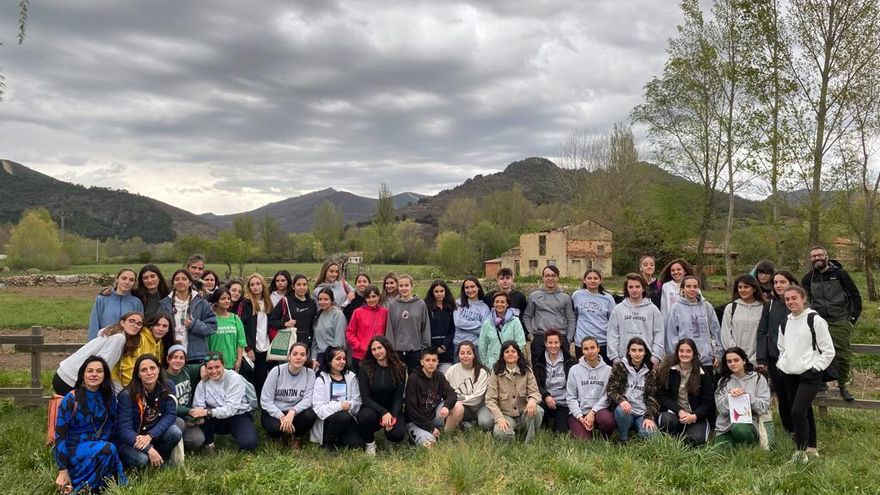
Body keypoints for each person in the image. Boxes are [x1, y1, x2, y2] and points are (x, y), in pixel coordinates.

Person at [777, 286, 835, 462]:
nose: (791, 302)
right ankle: (812, 447)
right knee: (805, 411)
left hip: (810, 374)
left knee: (797, 411)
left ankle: (800, 451)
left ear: (803, 298)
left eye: (794, 298)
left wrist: (816, 368)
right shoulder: (785, 322)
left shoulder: (815, 320)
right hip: (790, 374)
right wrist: (782, 365)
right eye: (787, 299)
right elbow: (781, 348)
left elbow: (828, 350)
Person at [53, 356, 126, 494]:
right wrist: (62, 470)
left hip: (99, 444)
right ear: (83, 375)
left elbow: (112, 426)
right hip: (72, 448)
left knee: (112, 450)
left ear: (104, 375)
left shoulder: (108, 397)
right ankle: (79, 489)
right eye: (90, 371)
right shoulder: (71, 399)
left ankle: (96, 486)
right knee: (108, 449)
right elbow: (60, 435)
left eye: (99, 371)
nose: (94, 374)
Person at [801, 245, 862, 401]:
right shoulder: (808, 278)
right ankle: (822, 384)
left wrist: (852, 319)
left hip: (839, 320)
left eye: (820, 255)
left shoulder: (840, 274)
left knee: (842, 354)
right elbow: (805, 301)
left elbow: (855, 295)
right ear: (810, 259)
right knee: (817, 353)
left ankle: (842, 386)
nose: (817, 258)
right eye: (813, 256)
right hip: (819, 322)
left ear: (826, 256)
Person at [115, 354, 182, 469]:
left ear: (158, 369)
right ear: (138, 374)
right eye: (144, 370)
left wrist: (150, 436)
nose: (149, 372)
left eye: (152, 368)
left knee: (175, 432)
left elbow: (170, 414)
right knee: (142, 460)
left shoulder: (168, 385)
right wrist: (149, 449)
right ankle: (148, 461)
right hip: (132, 439)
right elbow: (124, 430)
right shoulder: (127, 395)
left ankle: (159, 459)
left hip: (151, 434)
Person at [53, 312, 144, 395]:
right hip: (71, 380)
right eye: (132, 321)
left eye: (139, 324)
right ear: (122, 323)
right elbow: (102, 367)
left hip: (63, 373)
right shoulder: (119, 338)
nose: (135, 325)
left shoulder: (111, 333)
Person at [756, 270, 800, 441]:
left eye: (782, 282)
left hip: (797, 360)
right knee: (782, 395)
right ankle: (790, 430)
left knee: (795, 396)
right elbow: (762, 331)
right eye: (775, 282)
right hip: (775, 359)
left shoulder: (799, 304)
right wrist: (762, 358)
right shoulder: (770, 305)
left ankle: (801, 428)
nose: (778, 285)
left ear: (791, 283)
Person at [191, 353, 257, 451]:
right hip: (215, 418)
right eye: (210, 368)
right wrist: (200, 414)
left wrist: (208, 412)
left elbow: (231, 409)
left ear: (223, 365)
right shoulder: (203, 383)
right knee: (201, 415)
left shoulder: (234, 378)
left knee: (249, 443)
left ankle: (242, 432)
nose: (214, 371)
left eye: (217, 367)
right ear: (205, 368)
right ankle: (209, 444)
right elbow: (198, 406)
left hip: (238, 414)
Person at [655, 338, 714, 447]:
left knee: (697, 441)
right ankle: (675, 434)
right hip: (674, 413)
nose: (684, 354)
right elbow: (662, 397)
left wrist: (694, 416)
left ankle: (687, 433)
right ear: (677, 352)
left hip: (695, 416)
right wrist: (679, 411)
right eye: (681, 351)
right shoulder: (669, 370)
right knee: (667, 421)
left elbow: (708, 402)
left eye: (688, 351)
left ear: (694, 353)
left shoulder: (703, 373)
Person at [260, 342, 317, 450]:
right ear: (289, 356)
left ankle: (297, 437)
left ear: (306, 358)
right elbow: (265, 400)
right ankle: (281, 435)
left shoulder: (309, 373)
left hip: (296, 413)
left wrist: (292, 412)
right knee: (273, 428)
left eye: (302, 354)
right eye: (295, 354)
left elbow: (308, 399)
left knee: (310, 415)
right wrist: (281, 416)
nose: (298, 357)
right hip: (276, 411)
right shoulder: (276, 371)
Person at [484, 341, 543, 443]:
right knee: (500, 433)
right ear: (502, 355)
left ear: (518, 355)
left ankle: (529, 441)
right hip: (506, 415)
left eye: (513, 351)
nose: (510, 354)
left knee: (538, 411)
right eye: (507, 352)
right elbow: (490, 400)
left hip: (524, 413)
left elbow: (535, 392)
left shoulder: (527, 371)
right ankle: (512, 437)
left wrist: (532, 400)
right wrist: (499, 418)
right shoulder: (496, 372)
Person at [358, 336, 408, 454]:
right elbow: (365, 398)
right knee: (365, 417)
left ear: (386, 348)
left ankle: (389, 438)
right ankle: (370, 444)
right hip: (372, 408)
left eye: (379, 348)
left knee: (398, 434)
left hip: (392, 408)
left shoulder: (400, 368)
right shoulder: (365, 368)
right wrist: (383, 412)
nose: (377, 352)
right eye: (373, 349)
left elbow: (398, 398)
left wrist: (392, 417)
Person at [405, 347, 463, 448]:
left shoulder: (439, 376)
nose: (431, 363)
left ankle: (445, 435)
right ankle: (420, 435)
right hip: (416, 420)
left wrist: (446, 406)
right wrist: (431, 428)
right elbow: (411, 410)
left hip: (433, 414)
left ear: (437, 362)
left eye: (434, 360)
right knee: (431, 445)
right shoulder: (413, 378)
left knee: (458, 407)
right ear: (422, 362)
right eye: (427, 360)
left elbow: (452, 394)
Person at [714, 347, 771, 447]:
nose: (733, 364)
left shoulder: (758, 378)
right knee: (720, 453)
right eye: (729, 361)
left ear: (744, 361)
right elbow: (721, 409)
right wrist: (729, 397)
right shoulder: (723, 381)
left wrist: (746, 397)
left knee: (739, 429)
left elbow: (763, 407)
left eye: (736, 360)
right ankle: (736, 444)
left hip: (749, 423)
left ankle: (749, 442)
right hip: (725, 425)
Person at [159, 269, 217, 364]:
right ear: (173, 283)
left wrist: (193, 325)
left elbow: (212, 327)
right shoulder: (164, 304)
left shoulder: (201, 302)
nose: (180, 281)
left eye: (184, 279)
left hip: (195, 355)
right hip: (171, 354)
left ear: (190, 283)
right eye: (177, 279)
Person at [665, 276, 722, 372]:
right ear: (682, 289)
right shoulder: (676, 308)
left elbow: (716, 330)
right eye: (688, 286)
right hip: (684, 361)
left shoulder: (706, 306)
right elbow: (671, 335)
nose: (692, 289)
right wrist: (676, 356)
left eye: (695, 286)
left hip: (705, 360)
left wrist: (718, 354)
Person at [310, 346, 363, 451]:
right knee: (342, 416)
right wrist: (340, 406)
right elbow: (318, 408)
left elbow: (357, 401)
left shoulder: (351, 377)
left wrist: (349, 406)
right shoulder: (321, 379)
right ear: (329, 361)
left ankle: (339, 439)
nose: (342, 362)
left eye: (344, 359)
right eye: (338, 359)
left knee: (357, 445)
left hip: (348, 417)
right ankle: (328, 442)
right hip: (328, 420)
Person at [607, 338, 659, 442]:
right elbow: (611, 390)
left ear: (645, 352)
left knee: (650, 435)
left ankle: (640, 429)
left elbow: (654, 398)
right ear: (628, 351)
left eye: (640, 350)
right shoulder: (620, 367)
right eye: (633, 350)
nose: (637, 353)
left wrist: (650, 417)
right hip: (626, 411)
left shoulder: (651, 372)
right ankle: (623, 439)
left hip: (642, 413)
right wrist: (621, 400)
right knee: (622, 411)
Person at [607, 273, 664, 365]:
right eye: (631, 287)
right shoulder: (618, 309)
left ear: (643, 288)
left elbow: (659, 334)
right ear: (627, 289)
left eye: (637, 287)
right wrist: (615, 357)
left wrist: (656, 357)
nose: (634, 290)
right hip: (623, 359)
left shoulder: (653, 309)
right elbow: (612, 334)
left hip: (647, 359)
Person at [523, 265, 576, 362]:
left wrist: (568, 339)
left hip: (560, 337)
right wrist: (531, 336)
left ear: (558, 278)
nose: (550, 278)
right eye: (547, 275)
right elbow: (527, 316)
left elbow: (571, 319)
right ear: (542, 277)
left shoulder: (565, 298)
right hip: (539, 338)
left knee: (563, 369)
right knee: (539, 370)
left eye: (553, 275)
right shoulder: (534, 296)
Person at [566, 337, 615, 440]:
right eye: (586, 349)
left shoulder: (609, 370)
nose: (590, 351)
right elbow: (571, 397)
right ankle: (583, 430)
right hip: (580, 413)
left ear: (598, 349)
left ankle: (604, 436)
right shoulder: (574, 370)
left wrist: (593, 411)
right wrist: (579, 417)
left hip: (599, 411)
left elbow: (607, 395)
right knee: (584, 441)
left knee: (608, 420)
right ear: (582, 351)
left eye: (592, 348)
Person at [111, 312, 173, 388]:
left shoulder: (160, 343)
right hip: (122, 383)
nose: (160, 329)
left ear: (168, 330)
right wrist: (134, 390)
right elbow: (128, 368)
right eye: (157, 325)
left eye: (164, 326)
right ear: (151, 326)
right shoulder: (140, 339)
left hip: (144, 384)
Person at [444, 341, 494, 431]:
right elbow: (445, 392)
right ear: (458, 355)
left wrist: (458, 400)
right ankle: (447, 434)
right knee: (452, 408)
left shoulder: (483, 372)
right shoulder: (451, 371)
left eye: (469, 353)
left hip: (480, 407)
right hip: (462, 408)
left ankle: (470, 424)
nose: (465, 356)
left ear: (474, 355)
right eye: (462, 353)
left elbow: (477, 398)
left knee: (486, 423)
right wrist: (455, 403)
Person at [386, 274, 431, 372]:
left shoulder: (421, 304)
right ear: (398, 287)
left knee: (414, 381)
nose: (404, 288)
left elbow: (425, 328)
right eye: (401, 286)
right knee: (398, 381)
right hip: (397, 351)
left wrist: (424, 349)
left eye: (406, 285)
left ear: (411, 286)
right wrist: (391, 349)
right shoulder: (393, 305)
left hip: (415, 351)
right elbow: (389, 329)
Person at [239, 273, 274, 397]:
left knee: (262, 375)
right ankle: (251, 400)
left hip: (265, 345)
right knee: (250, 375)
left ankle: (261, 400)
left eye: (258, 284)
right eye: (252, 284)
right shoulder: (246, 303)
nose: (255, 287)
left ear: (263, 285)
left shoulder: (268, 302)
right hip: (252, 346)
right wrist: (248, 347)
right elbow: (241, 326)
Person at [165, 345, 206, 451]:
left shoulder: (187, 370)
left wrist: (203, 368)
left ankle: (181, 441)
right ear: (168, 359)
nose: (178, 361)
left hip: (188, 416)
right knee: (180, 423)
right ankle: (171, 448)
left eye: (181, 358)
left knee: (198, 440)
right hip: (172, 417)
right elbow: (169, 406)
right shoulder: (163, 378)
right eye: (174, 357)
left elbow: (207, 363)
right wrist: (192, 412)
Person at [571, 269, 616, 363]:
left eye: (595, 278)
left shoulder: (608, 298)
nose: (592, 280)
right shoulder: (577, 295)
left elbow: (613, 321)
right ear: (584, 280)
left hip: (602, 342)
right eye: (589, 278)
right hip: (582, 342)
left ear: (600, 281)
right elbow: (573, 316)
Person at [88, 267, 144, 340]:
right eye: (124, 278)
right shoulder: (102, 299)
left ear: (134, 283)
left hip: (128, 346)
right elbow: (94, 324)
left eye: (131, 280)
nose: (127, 282)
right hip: (104, 344)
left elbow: (139, 326)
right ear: (117, 279)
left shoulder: (136, 302)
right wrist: (93, 345)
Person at [533, 330, 572, 433]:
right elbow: (536, 384)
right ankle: (544, 421)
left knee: (560, 432)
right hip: (545, 400)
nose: (553, 346)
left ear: (560, 343)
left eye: (556, 342)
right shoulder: (539, 362)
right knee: (541, 426)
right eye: (550, 343)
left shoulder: (570, 362)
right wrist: (546, 395)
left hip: (564, 403)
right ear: (545, 343)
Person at [720, 274, 765, 363]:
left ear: (754, 288)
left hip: (756, 360)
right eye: (740, 287)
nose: (742, 290)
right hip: (734, 360)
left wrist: (755, 357)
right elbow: (725, 333)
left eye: (746, 287)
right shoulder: (731, 308)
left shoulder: (763, 308)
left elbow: (765, 335)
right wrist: (736, 355)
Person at [269, 273, 318, 351]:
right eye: (298, 285)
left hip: (307, 345)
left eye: (304, 284)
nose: (302, 287)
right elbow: (271, 321)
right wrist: (285, 324)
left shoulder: (312, 303)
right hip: (288, 345)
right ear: (293, 287)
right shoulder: (285, 301)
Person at [346, 285, 387, 371]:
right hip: (360, 356)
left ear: (379, 297)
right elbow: (350, 332)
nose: (371, 300)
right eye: (368, 297)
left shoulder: (384, 312)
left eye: (374, 296)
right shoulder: (358, 312)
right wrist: (359, 345)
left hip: (378, 355)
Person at [479, 292, 526, 367]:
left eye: (502, 302)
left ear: (507, 304)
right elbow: (482, 345)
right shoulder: (487, 323)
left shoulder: (515, 321)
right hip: (492, 364)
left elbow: (521, 342)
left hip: (511, 363)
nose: (499, 304)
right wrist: (484, 363)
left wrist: (511, 356)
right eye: (497, 302)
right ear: (493, 304)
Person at [208, 287, 247, 371]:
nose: (227, 301)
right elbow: (206, 344)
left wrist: (239, 360)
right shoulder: (210, 319)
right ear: (216, 301)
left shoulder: (235, 319)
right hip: (214, 365)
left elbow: (241, 342)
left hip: (232, 364)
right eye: (223, 299)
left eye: (228, 298)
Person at [452, 276, 491, 358]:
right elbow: (458, 322)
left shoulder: (485, 308)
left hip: (475, 347)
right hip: (458, 346)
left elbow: (484, 330)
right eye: (467, 287)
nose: (470, 290)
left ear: (478, 287)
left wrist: (465, 326)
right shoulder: (458, 303)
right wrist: (478, 323)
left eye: (472, 286)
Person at [425, 279, 456, 372]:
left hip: (447, 351)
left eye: (442, 291)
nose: (439, 294)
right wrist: (434, 348)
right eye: (436, 291)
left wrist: (444, 346)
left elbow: (452, 329)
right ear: (432, 293)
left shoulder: (451, 308)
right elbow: (425, 329)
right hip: (431, 351)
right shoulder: (427, 308)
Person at [312, 288, 347, 366]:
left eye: (326, 299)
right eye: (320, 299)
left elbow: (339, 339)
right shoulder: (319, 314)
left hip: (332, 357)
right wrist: (313, 358)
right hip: (320, 357)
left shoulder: (338, 315)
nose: (322, 302)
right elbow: (315, 340)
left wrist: (335, 359)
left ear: (332, 300)